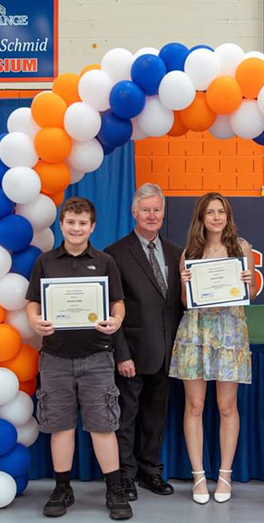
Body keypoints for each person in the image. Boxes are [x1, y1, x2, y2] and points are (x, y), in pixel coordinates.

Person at [25, 197, 133, 521]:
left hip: (97, 357)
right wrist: (34, 320)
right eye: (70, 222)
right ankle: (62, 488)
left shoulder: (104, 262)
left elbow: (118, 303)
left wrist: (115, 321)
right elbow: (32, 302)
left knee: (103, 426)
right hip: (55, 358)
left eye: (82, 223)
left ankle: (114, 488)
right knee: (61, 427)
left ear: (92, 226)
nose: (76, 228)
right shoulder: (45, 262)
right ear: (61, 225)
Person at [169, 192, 256, 505]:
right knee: (194, 406)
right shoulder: (189, 252)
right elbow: (183, 301)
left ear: (228, 216)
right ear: (201, 218)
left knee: (227, 406)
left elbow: (252, 293)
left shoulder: (241, 248)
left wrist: (248, 280)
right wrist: (186, 283)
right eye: (210, 212)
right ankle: (197, 476)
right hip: (196, 330)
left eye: (221, 212)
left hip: (230, 330)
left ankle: (225, 474)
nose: (216, 217)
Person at [104, 184, 183, 501]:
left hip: (167, 353)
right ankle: (124, 476)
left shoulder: (177, 253)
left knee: (156, 417)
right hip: (131, 356)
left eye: (157, 210)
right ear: (134, 213)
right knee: (126, 417)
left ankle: (151, 471)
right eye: (146, 210)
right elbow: (113, 309)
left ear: (163, 213)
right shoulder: (115, 254)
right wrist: (121, 353)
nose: (152, 216)